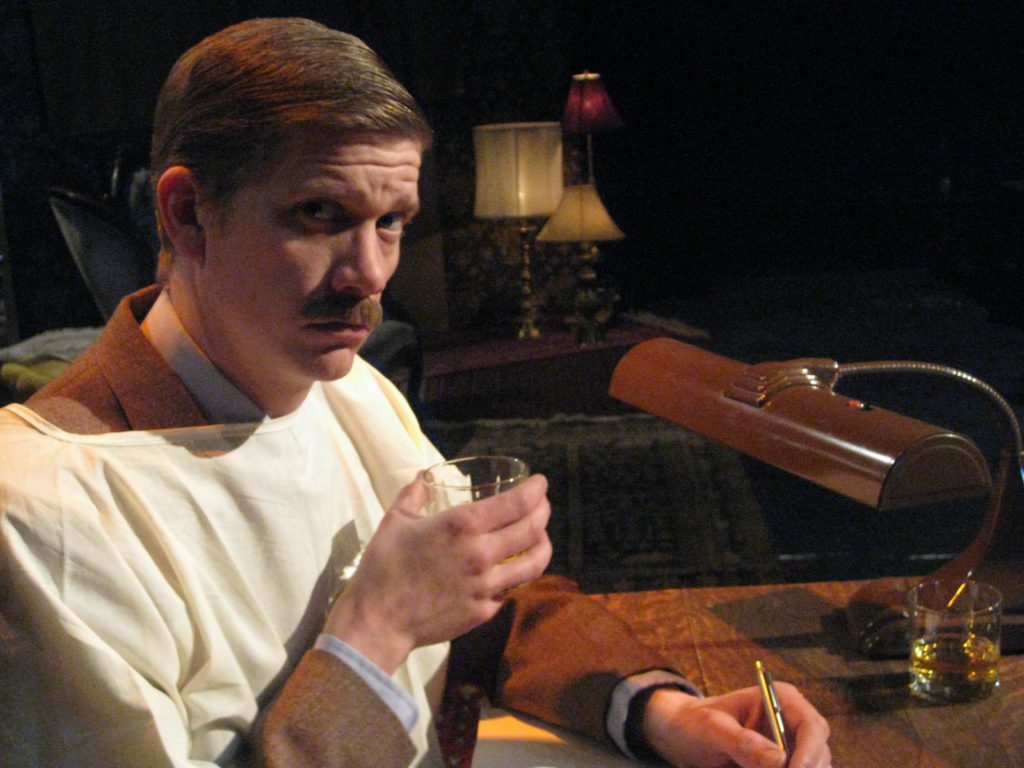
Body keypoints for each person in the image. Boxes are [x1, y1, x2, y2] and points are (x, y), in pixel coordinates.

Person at [0, 17, 831, 768]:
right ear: (185, 215)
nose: (369, 276)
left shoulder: (353, 391)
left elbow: (491, 606)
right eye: (321, 213)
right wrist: (372, 634)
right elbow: (407, 612)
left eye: (391, 221)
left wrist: (660, 710)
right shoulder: (45, 512)